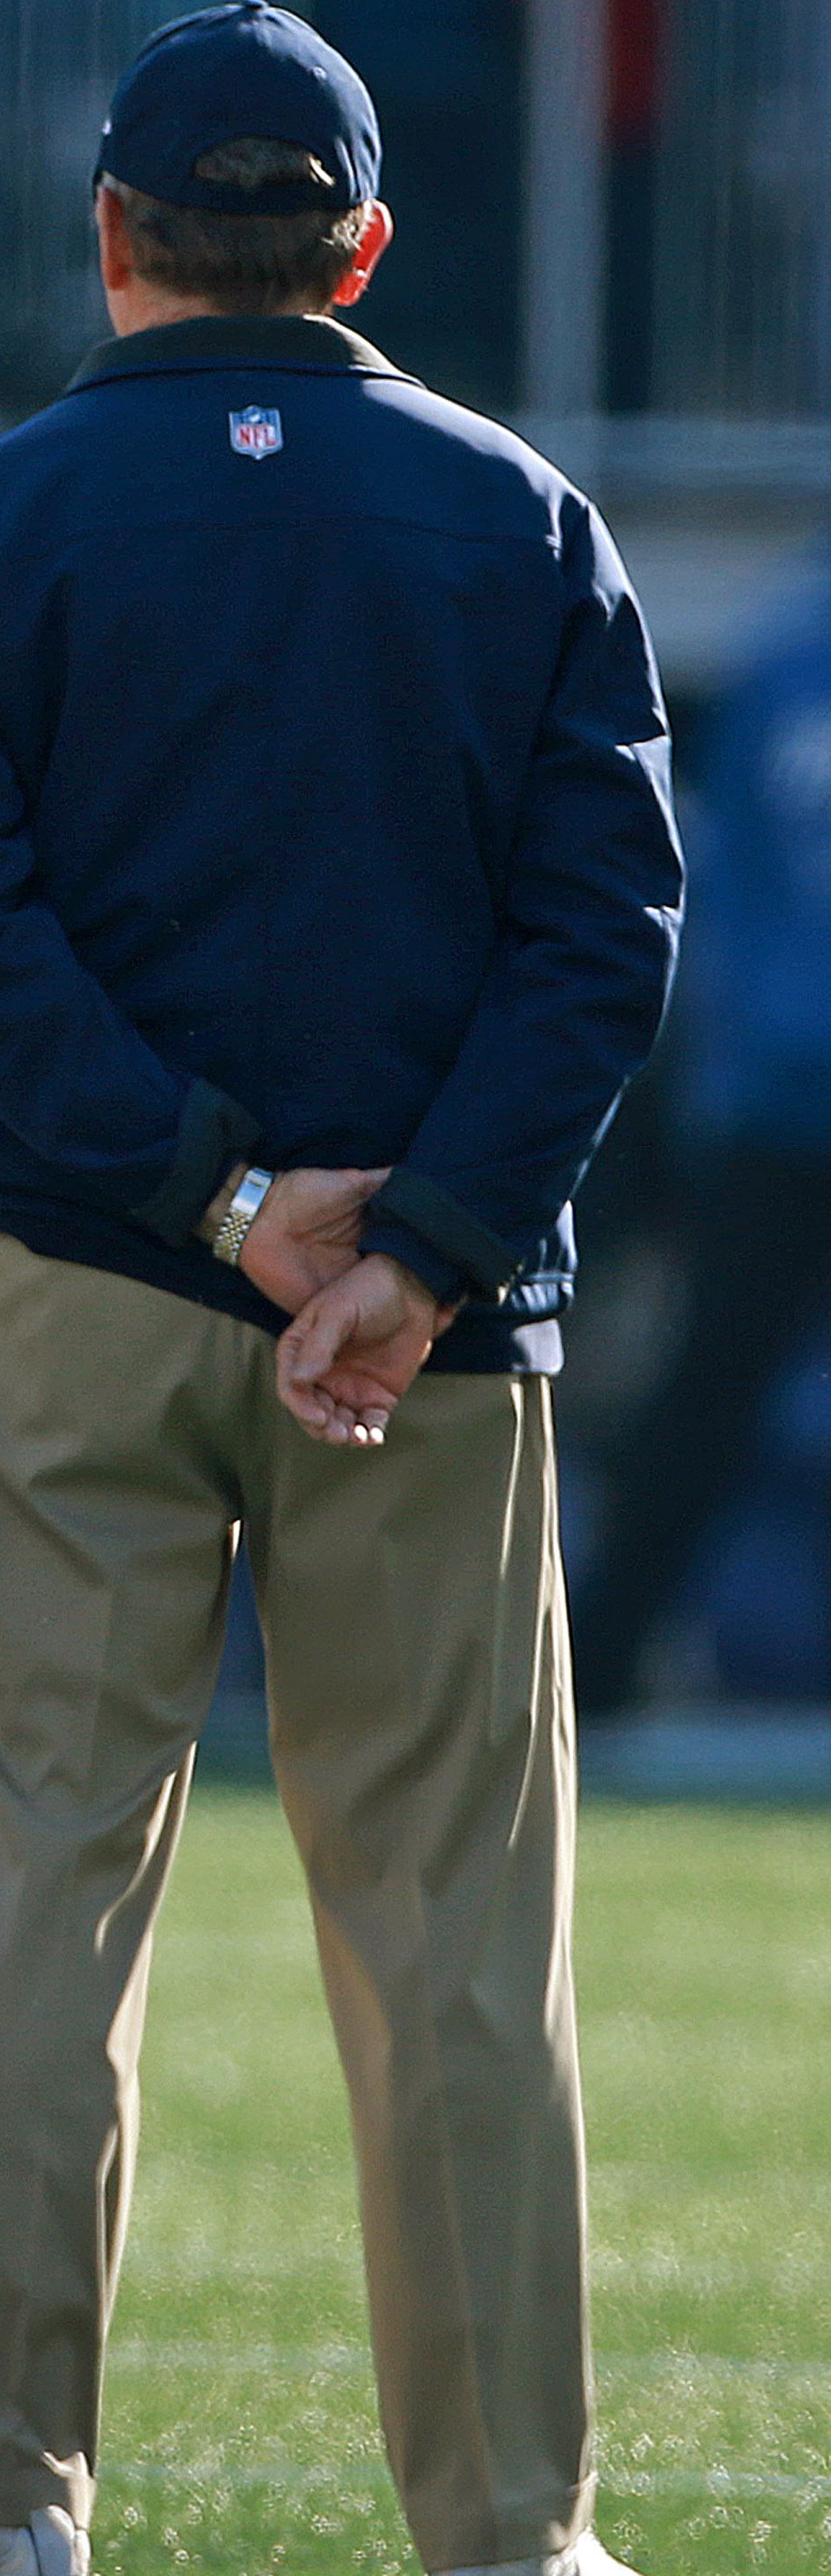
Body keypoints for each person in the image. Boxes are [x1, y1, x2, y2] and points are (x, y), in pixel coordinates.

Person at [0, 2, 678, 2576]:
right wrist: (409, 1240)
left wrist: (227, 1190)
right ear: (367, 245)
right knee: (450, 1922)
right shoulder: (522, 516)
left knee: (39, 1902)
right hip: (425, 1332)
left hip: (89, 1277)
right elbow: (602, 938)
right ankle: (505, 2539)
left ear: (112, 236)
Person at [568, 555, 831, 1717]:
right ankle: (601, 1667)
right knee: (700, 1409)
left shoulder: (780, 654)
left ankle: (603, 1673)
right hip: (775, 1101)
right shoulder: (788, 658)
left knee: (700, 1407)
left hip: (768, 1095)